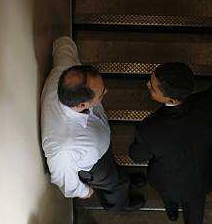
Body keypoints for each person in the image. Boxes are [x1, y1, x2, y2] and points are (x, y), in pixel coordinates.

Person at [128, 7, 212, 224]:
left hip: (166, 180)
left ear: (171, 99)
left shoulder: (149, 128)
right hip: (199, 178)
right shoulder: (211, 104)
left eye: (152, 87)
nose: (147, 86)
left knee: (169, 197)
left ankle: (172, 213)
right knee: (196, 208)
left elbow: (136, 156)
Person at [41, 37, 144, 210]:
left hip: (101, 149)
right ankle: (118, 204)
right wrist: (82, 191)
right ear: (82, 105)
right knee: (113, 184)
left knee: (116, 173)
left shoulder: (64, 70)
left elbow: (63, 44)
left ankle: (123, 178)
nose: (107, 91)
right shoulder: (63, 147)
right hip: (96, 167)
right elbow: (63, 179)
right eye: (101, 94)